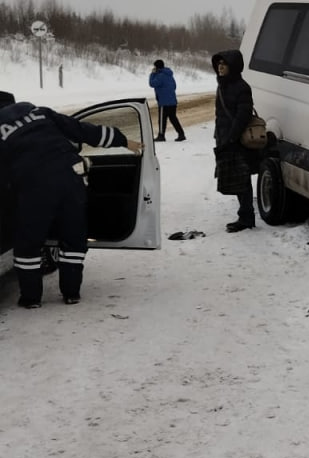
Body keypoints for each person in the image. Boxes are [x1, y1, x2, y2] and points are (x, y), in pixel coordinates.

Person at [0, 90, 143, 308]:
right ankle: (71, 293)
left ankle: (31, 298)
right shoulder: (39, 112)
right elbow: (81, 130)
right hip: (71, 179)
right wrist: (124, 141)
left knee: (28, 245)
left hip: (34, 187)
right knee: (73, 238)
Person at [212, 49, 258, 232]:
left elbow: (243, 116)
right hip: (224, 138)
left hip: (236, 141)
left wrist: (231, 137)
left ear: (233, 66)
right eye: (219, 64)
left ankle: (246, 218)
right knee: (235, 178)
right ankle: (245, 215)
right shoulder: (222, 85)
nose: (220, 67)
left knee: (242, 179)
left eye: (224, 64)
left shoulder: (242, 87)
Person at [149, 58, 186, 141]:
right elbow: (174, 86)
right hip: (172, 101)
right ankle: (181, 134)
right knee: (173, 118)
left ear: (157, 67)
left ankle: (161, 136)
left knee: (162, 120)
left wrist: (152, 74)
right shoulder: (169, 75)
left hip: (163, 102)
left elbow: (152, 83)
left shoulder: (160, 76)